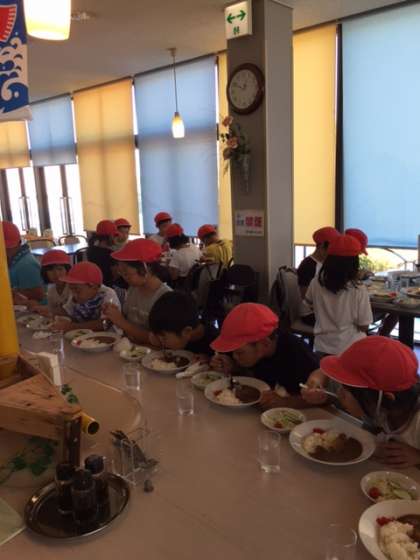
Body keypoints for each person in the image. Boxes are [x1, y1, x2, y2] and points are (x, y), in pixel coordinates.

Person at [302, 336, 420, 469]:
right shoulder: (376, 401)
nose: (339, 392)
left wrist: (417, 456)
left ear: (386, 399)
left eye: (346, 389)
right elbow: (322, 374)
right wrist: (316, 381)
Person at [209, 303, 320, 410]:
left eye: (239, 353)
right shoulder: (248, 348)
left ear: (265, 343)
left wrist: (286, 402)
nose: (234, 356)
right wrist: (232, 366)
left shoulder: (298, 355)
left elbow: (323, 399)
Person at [304, 234, 373, 356]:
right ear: (354, 262)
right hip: (350, 349)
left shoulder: (316, 282)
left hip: (322, 346)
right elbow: (364, 325)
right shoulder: (358, 288)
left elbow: (308, 302)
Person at [102, 239, 172, 344]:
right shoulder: (133, 289)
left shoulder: (166, 298)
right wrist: (113, 316)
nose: (124, 277)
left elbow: (160, 341)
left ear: (145, 269)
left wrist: (121, 321)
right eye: (121, 272)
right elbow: (127, 320)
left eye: (126, 273)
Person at [345, 227, 398, 337]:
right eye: (358, 252)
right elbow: (363, 325)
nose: (358, 255)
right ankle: (378, 339)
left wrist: (360, 275)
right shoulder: (356, 288)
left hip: (331, 330)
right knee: (396, 311)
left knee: (395, 311)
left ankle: (380, 338)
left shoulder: (321, 279)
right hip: (349, 324)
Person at [52, 262, 120, 332]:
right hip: (84, 336)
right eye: (71, 289)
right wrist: (51, 312)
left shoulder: (107, 294)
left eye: (77, 290)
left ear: (94, 287)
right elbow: (67, 310)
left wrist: (72, 326)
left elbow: (105, 323)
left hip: (109, 336)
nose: (74, 294)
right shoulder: (74, 293)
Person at [148, 290, 218, 356]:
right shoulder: (176, 330)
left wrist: (209, 360)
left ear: (186, 331)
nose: (162, 342)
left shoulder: (215, 342)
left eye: (164, 338)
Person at [1, 220, 44, 303]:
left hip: (33, 308)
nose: (4, 251)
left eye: (7, 248)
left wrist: (10, 293)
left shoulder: (26, 264)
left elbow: (38, 294)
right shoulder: (13, 260)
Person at [297, 226, 340, 300]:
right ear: (322, 246)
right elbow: (305, 296)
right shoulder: (307, 266)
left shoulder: (328, 263)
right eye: (332, 249)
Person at [27, 250, 71, 316]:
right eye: (51, 270)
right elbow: (51, 309)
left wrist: (46, 309)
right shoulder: (51, 289)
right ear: (45, 273)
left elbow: (70, 310)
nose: (56, 274)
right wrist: (39, 308)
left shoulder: (72, 287)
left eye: (60, 269)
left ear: (67, 270)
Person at [87, 220, 119, 287]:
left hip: (95, 285)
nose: (116, 238)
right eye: (115, 235)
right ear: (110, 236)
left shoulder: (90, 250)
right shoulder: (111, 254)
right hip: (109, 287)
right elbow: (115, 275)